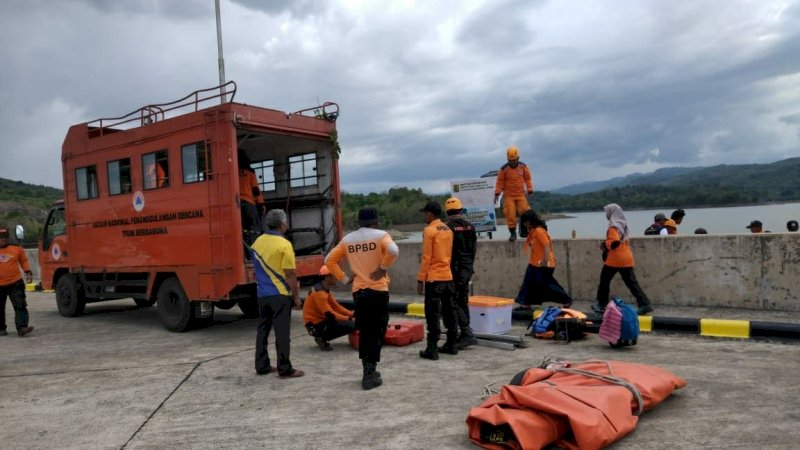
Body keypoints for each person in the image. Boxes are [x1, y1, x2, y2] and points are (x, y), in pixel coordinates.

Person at [325, 207, 399, 390]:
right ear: (375, 221)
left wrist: (343, 278)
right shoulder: (381, 235)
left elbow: (329, 260)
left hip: (359, 292)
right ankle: (370, 372)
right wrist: (383, 267)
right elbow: (393, 250)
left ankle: (368, 369)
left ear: (359, 223)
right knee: (378, 330)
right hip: (378, 291)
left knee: (366, 331)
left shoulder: (348, 240)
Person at [251, 209, 304, 379]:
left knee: (263, 330)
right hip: (280, 294)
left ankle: (262, 365)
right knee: (282, 333)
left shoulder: (257, 243)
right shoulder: (284, 244)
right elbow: (290, 274)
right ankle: (285, 368)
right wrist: (296, 297)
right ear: (282, 225)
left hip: (262, 294)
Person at [592, 204, 654, 316]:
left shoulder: (613, 227)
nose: (606, 213)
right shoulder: (622, 225)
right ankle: (644, 304)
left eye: (607, 211)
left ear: (612, 212)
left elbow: (614, 242)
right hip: (626, 257)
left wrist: (605, 244)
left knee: (604, 281)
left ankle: (601, 305)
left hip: (615, 259)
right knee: (632, 283)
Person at [417, 201, 457, 359]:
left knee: (432, 314)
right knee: (449, 312)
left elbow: (426, 257)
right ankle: (452, 344)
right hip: (448, 276)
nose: (424, 216)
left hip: (434, 278)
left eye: (425, 213)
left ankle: (432, 349)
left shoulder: (429, 230)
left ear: (430, 214)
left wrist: (421, 279)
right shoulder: (448, 229)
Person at [514, 211, 573, 310]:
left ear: (529, 221)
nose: (523, 224)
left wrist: (545, 261)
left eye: (525, 222)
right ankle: (526, 304)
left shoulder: (539, 231)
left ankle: (566, 300)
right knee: (528, 284)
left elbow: (546, 246)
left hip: (543, 265)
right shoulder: (533, 232)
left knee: (548, 285)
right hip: (534, 263)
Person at [444, 197, 478, 349]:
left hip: (454, 269)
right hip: (467, 268)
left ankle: (466, 332)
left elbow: (446, 252)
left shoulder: (447, 228)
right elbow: (473, 250)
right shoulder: (470, 227)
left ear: (447, 212)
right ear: (461, 210)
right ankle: (464, 332)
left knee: (453, 301)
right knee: (463, 299)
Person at [302, 265, 355, 351]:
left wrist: (352, 314)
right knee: (354, 325)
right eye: (335, 275)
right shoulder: (320, 293)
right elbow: (331, 315)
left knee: (352, 322)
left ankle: (322, 336)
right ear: (327, 277)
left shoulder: (323, 288)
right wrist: (349, 318)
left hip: (319, 322)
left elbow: (336, 307)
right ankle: (321, 337)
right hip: (315, 326)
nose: (338, 277)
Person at [494, 146, 534, 242]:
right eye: (510, 160)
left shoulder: (523, 167)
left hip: (520, 194)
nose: (512, 162)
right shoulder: (503, 169)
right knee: (510, 214)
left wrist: (530, 190)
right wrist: (497, 193)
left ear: (518, 158)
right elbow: (499, 182)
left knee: (526, 213)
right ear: (508, 159)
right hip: (509, 196)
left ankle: (525, 231)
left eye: (514, 160)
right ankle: (513, 233)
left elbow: (528, 179)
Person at [0, 227, 34, 337]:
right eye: (0, 238)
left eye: (5, 237)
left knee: (20, 306)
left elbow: (23, 260)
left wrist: (28, 272)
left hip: (15, 282)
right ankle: (1, 329)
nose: (3, 240)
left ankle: (22, 328)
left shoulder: (16, 248)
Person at [239, 151, 265, 248]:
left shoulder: (231, 171)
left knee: (240, 229)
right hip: (248, 202)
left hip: (236, 204)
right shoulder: (250, 171)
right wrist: (261, 203)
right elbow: (255, 189)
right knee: (254, 228)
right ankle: (254, 251)